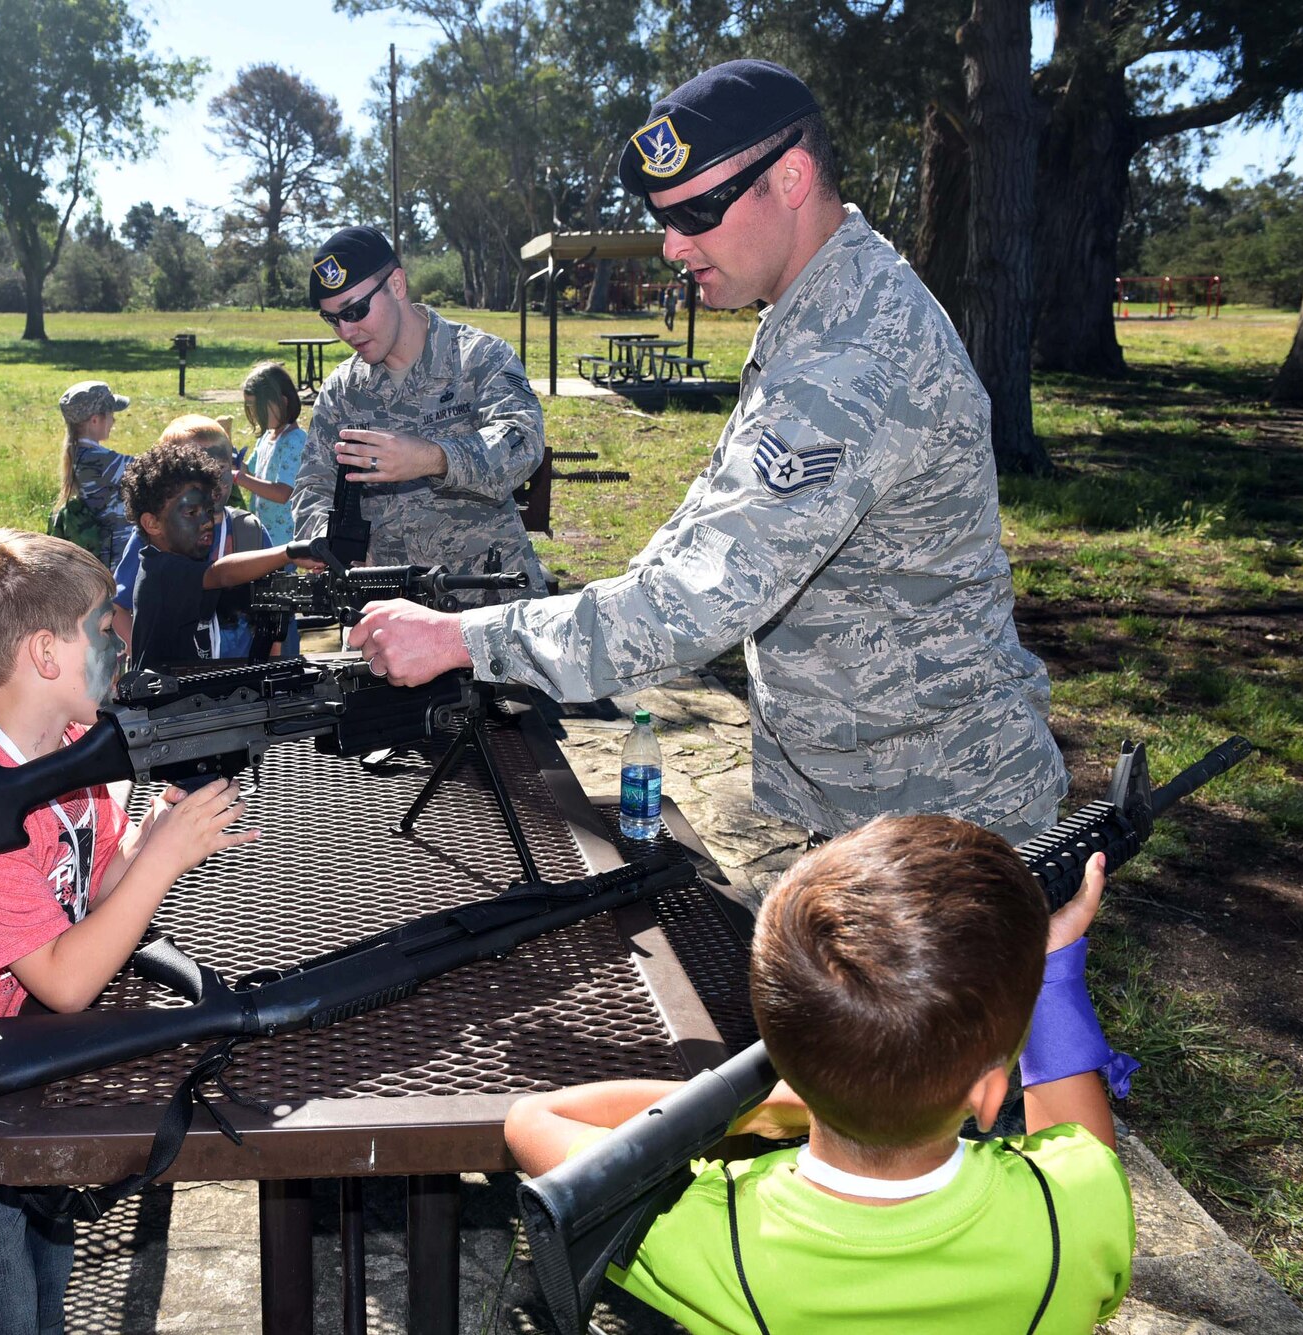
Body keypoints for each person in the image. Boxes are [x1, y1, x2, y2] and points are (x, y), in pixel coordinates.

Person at [350, 62, 1067, 842]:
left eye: (696, 212)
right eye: (664, 216)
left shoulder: (854, 354)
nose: (670, 245)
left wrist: (462, 639)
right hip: (873, 799)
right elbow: (706, 526)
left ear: (791, 177)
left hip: (947, 819)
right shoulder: (815, 308)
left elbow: (699, 599)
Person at [0, 529, 256, 1334]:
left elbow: (94, 885)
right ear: (46, 653)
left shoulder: (68, 754)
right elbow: (66, 978)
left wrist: (160, 822)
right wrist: (164, 858)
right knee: (2, 1316)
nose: (120, 645)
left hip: (24, 1085)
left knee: (47, 1293)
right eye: (105, 629)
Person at [506, 815, 1137, 1333]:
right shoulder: (1074, 1217)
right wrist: (1054, 971)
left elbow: (533, 1119)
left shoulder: (712, 1234)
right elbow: (1083, 1148)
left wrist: (766, 1105)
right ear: (990, 1095)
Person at [290, 224, 547, 600]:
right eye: (333, 319)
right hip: (393, 612)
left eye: (356, 310)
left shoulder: (477, 357)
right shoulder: (343, 391)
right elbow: (313, 487)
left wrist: (434, 458)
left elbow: (522, 441)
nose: (346, 330)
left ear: (397, 285)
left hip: (489, 603)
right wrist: (334, 549)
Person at [122, 443, 296, 673]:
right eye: (191, 513)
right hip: (159, 703)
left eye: (208, 510)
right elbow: (221, 574)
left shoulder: (188, 567)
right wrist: (290, 552)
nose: (206, 521)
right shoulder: (160, 570)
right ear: (152, 524)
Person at [111, 415, 272, 658]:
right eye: (198, 472)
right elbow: (118, 607)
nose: (214, 482)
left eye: (221, 468)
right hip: (174, 683)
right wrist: (143, 653)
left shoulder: (249, 530)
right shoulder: (156, 536)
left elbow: (277, 612)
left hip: (244, 683)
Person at [50, 380, 134, 567]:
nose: (114, 420)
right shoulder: (98, 460)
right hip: (114, 562)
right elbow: (151, 468)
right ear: (95, 420)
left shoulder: (81, 454)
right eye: (111, 414)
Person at [237, 361, 307, 548]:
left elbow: (282, 492)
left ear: (282, 402)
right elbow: (252, 473)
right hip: (264, 535)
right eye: (250, 407)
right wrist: (232, 462)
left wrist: (240, 478)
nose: (254, 413)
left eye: (257, 407)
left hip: (283, 542)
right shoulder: (267, 436)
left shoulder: (295, 441)